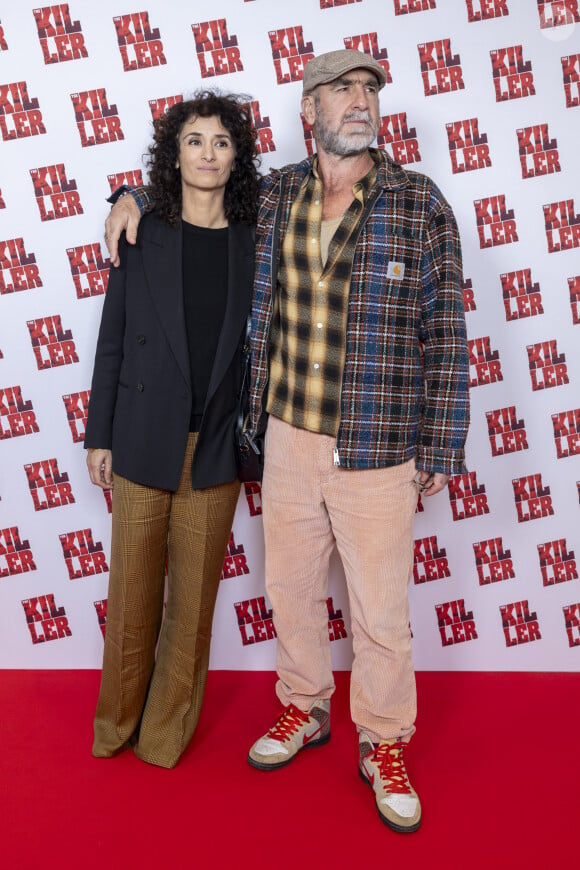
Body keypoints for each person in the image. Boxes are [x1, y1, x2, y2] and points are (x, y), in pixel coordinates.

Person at [103, 49, 469, 829]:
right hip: (285, 438)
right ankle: (304, 706)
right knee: (291, 595)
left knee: (379, 614)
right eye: (341, 90)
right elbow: (193, 198)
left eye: (369, 89)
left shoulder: (420, 203)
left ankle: (384, 739)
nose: (359, 102)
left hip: (378, 445)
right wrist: (127, 193)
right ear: (310, 111)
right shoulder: (274, 196)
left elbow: (447, 334)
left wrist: (442, 447)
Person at [85, 91, 260, 769]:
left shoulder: (256, 238)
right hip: (139, 440)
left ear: (236, 156)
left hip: (215, 446)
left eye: (221, 141)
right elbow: (113, 342)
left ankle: (164, 736)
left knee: (191, 611)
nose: (208, 153)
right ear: (174, 154)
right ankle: (116, 726)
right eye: (194, 140)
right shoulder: (142, 232)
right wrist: (99, 434)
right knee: (131, 599)